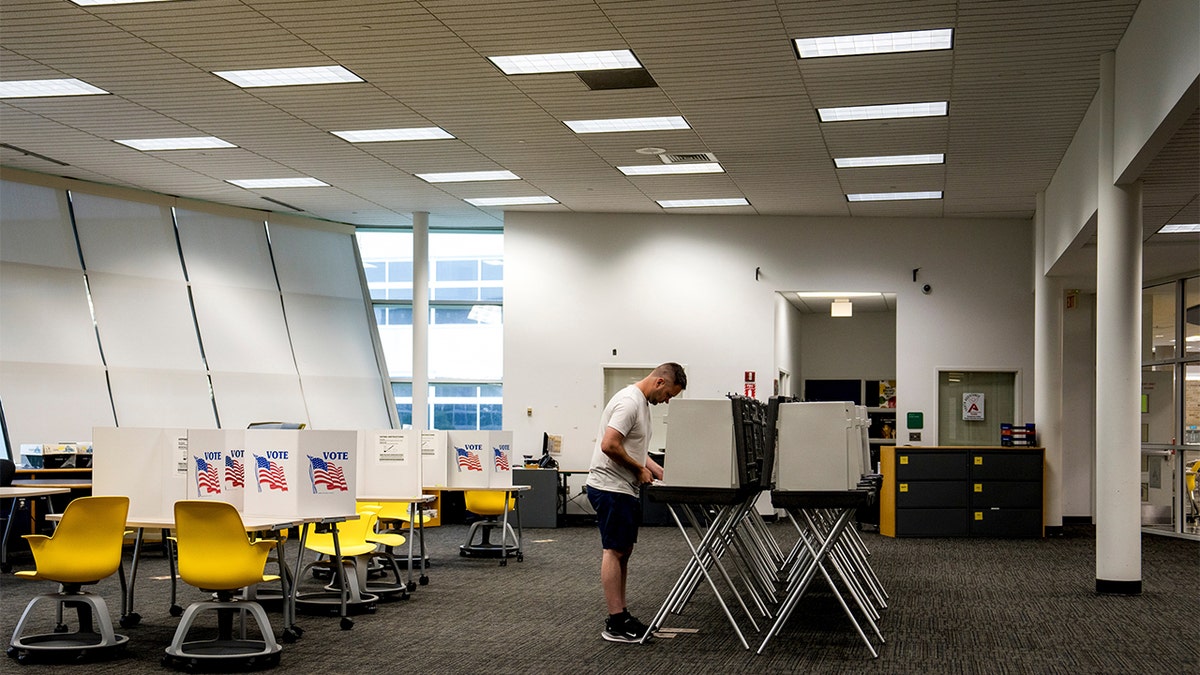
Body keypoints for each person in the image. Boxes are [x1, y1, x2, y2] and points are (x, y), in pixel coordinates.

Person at [586, 362, 687, 643]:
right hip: (610, 487)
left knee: (623, 551)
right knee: (614, 551)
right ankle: (615, 621)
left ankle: (621, 614)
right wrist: (638, 469)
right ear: (659, 382)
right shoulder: (630, 402)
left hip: (622, 487)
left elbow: (633, 447)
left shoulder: (641, 403)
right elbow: (609, 445)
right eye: (668, 395)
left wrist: (656, 470)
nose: (666, 400)